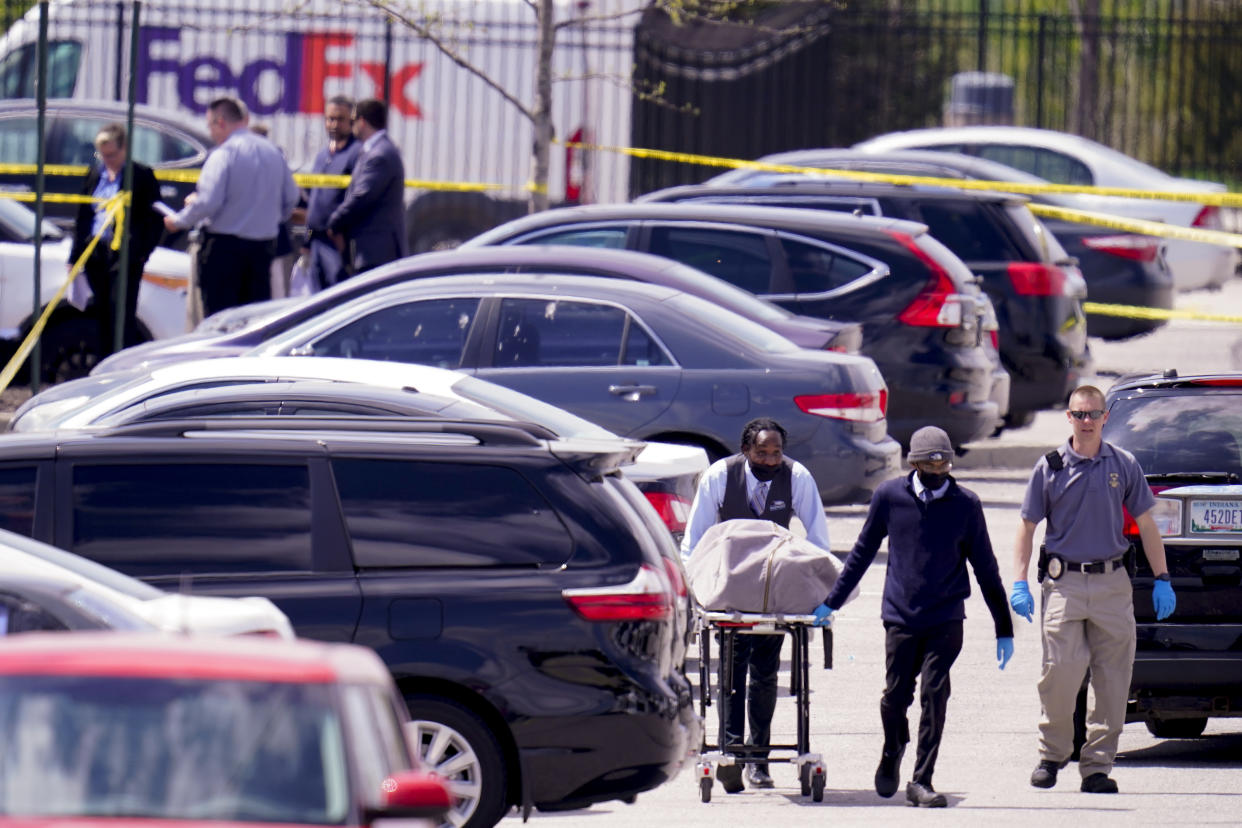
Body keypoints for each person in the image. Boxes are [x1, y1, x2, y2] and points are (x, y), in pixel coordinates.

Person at [811, 426, 1014, 808]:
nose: (938, 469)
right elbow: (862, 552)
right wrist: (832, 601)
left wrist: (1003, 627)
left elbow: (986, 567)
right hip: (901, 615)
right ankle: (894, 746)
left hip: (946, 616)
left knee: (935, 693)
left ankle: (922, 780)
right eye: (929, 462)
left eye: (944, 461)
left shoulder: (965, 504)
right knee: (895, 697)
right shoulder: (890, 497)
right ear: (914, 463)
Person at [1009, 385, 1176, 794]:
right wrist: (1019, 580)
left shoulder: (1123, 464)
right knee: (1060, 673)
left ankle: (1098, 767)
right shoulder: (1049, 467)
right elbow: (1027, 525)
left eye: (1094, 414)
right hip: (1064, 583)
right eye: (1079, 414)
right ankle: (1052, 755)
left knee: (1113, 679)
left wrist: (1163, 578)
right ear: (1068, 417)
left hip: (1112, 584)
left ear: (1104, 418)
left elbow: (1148, 524)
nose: (1086, 422)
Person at [681, 417, 831, 794]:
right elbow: (694, 539)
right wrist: (695, 591)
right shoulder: (719, 476)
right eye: (761, 452)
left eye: (776, 451)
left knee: (765, 675)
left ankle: (759, 760)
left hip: (772, 591)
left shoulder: (797, 478)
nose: (770, 459)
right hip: (731, 589)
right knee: (731, 673)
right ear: (746, 450)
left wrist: (819, 591)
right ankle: (731, 755)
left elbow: (818, 538)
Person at [164, 96, 299, 317]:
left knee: (221, 321)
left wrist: (179, 221)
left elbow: (208, 202)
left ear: (221, 122)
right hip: (261, 250)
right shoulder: (273, 152)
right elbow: (291, 198)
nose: (211, 133)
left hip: (224, 252)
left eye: (210, 126)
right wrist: (271, 220)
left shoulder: (223, 155)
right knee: (253, 320)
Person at [69, 123, 163, 359]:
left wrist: (142, 253)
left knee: (121, 313)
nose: (106, 159)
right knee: (100, 312)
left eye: (111, 154)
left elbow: (156, 219)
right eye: (102, 154)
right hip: (97, 251)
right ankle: (102, 364)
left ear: (124, 150)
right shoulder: (94, 174)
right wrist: (75, 256)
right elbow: (83, 216)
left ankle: (121, 363)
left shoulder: (140, 175)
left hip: (125, 254)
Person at [326, 98, 407, 276]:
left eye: (352, 121)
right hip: (371, 249)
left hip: (377, 251)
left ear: (362, 122)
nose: (351, 126)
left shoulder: (380, 154)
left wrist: (335, 221)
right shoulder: (374, 150)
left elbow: (362, 196)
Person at [297, 96, 361, 290]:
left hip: (337, 241)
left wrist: (339, 231)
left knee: (337, 295)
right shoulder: (323, 156)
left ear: (351, 121)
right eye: (330, 119)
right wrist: (307, 242)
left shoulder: (356, 154)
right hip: (316, 240)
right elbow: (315, 202)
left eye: (340, 119)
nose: (333, 124)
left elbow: (356, 199)